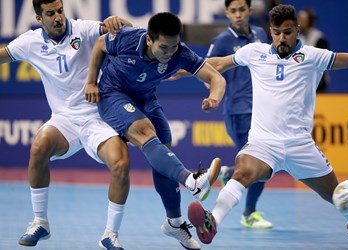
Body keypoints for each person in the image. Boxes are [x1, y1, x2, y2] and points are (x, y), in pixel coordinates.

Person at [186, 4, 348, 245]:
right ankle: (211, 221)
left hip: (301, 146)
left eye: (287, 32)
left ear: (297, 30)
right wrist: (183, 69)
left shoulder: (313, 56)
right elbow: (220, 63)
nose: (281, 38)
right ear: (270, 30)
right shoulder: (254, 52)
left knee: (340, 196)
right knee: (242, 172)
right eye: (276, 32)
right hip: (263, 143)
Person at [85, 11, 225, 250]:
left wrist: (213, 98)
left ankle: (174, 222)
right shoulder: (128, 38)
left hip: (146, 99)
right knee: (145, 130)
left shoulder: (180, 53)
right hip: (113, 93)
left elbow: (216, 78)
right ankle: (192, 180)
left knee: (163, 149)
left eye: (174, 46)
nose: (169, 53)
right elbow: (100, 44)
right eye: (164, 47)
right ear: (149, 40)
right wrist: (90, 81)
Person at [0, 0, 133, 249]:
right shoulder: (30, 42)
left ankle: (110, 234)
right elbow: (4, 55)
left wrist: (120, 23)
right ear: (40, 19)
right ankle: (40, 222)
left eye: (60, 11)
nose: (58, 17)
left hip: (98, 117)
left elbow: (122, 29)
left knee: (121, 163)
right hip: (64, 120)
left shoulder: (83, 29)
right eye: (50, 14)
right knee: (39, 147)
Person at [206, 0, 272, 229]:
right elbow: (206, 68)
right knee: (259, 162)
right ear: (227, 13)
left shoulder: (261, 34)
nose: (238, 15)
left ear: (250, 11)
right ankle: (249, 213)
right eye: (233, 11)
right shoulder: (223, 41)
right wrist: (213, 94)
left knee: (265, 163)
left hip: (263, 110)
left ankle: (229, 172)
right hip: (238, 111)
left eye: (242, 10)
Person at [298, 7, 330, 92]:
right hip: (301, 84)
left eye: (302, 19)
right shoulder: (297, 39)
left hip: (318, 83)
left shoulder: (319, 38)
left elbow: (323, 62)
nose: (299, 22)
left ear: (309, 21)